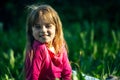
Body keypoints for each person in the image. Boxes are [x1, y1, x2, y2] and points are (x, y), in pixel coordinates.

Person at [24, 4, 72, 80]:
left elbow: (67, 71)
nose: (43, 30)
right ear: (31, 30)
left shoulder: (60, 45)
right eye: (38, 27)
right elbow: (33, 76)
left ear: (56, 28)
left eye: (48, 26)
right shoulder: (40, 48)